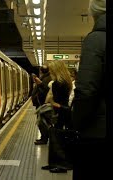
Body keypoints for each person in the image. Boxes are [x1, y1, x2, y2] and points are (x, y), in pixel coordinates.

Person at [71, 0, 107, 179]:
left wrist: (75, 122)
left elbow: (86, 90)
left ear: (95, 14)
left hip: (98, 133)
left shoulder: (96, 40)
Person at [41, 60, 73, 173]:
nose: (50, 72)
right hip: (64, 112)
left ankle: (60, 164)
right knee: (57, 138)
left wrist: (51, 103)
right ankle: (54, 163)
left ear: (55, 70)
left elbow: (55, 101)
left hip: (58, 112)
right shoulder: (66, 82)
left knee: (56, 138)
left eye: (51, 70)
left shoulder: (57, 84)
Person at [31, 65, 52, 145]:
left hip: (43, 104)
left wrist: (39, 84)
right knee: (42, 122)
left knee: (42, 122)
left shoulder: (46, 79)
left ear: (41, 71)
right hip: (42, 103)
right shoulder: (46, 78)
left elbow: (45, 91)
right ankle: (44, 138)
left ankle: (44, 139)